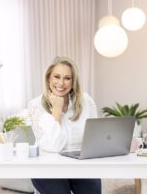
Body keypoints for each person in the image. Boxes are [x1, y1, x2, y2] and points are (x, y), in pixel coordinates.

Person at [28, 57, 101, 194]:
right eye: (56, 77)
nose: (61, 83)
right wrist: (57, 110)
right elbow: (52, 146)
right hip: (48, 167)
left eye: (67, 78)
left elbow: (94, 137)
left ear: (73, 82)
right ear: (48, 78)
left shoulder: (86, 101)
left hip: (81, 165)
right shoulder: (35, 105)